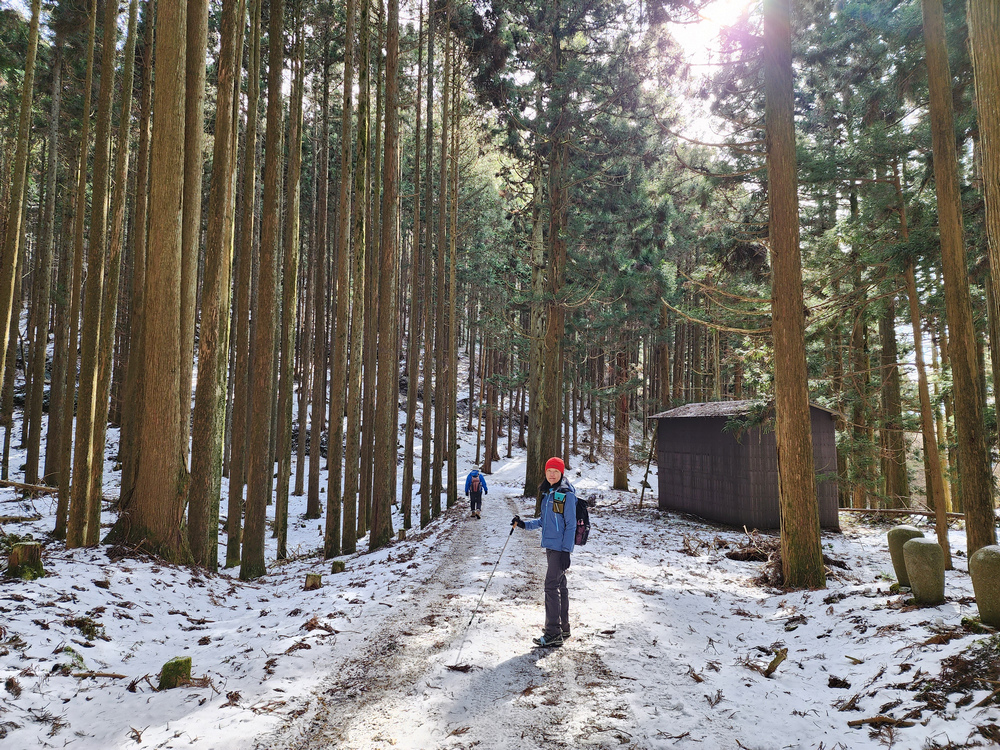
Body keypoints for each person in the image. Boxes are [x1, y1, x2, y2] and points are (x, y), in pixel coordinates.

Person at [512, 456, 576, 647]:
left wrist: (566, 551)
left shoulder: (565, 494)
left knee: (550, 586)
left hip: (559, 549)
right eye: (549, 471)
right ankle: (563, 628)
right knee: (560, 585)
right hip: (552, 546)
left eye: (556, 471)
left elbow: (570, 525)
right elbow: (544, 522)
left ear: (561, 473)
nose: (552, 474)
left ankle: (553, 633)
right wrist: (523, 524)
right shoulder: (551, 493)